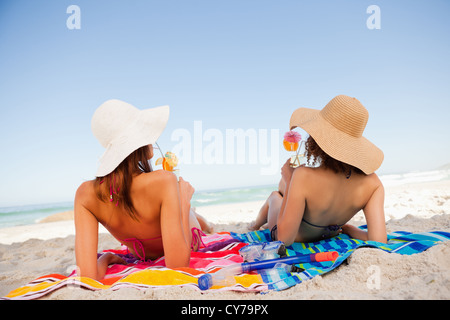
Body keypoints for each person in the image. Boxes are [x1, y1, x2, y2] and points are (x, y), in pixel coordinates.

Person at [74, 99, 211, 280]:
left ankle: (203, 220)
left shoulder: (85, 195)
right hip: (187, 235)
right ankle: (198, 217)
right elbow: (178, 267)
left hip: (142, 253)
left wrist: (106, 258)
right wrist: (184, 203)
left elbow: (87, 277)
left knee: (196, 217)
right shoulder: (163, 180)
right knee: (192, 216)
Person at [249, 95, 387, 245]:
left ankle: (255, 226)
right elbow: (379, 241)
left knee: (275, 196)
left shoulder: (304, 175)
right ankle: (258, 224)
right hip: (329, 235)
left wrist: (290, 180)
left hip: (296, 236)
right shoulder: (374, 184)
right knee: (283, 197)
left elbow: (284, 239)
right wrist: (349, 229)